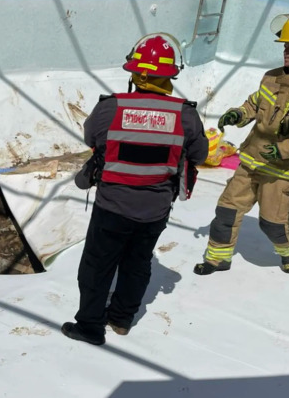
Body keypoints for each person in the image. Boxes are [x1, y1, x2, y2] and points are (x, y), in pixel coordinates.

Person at [61, 34, 209, 346]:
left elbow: (91, 139)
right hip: (155, 209)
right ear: (169, 76)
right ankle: (121, 319)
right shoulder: (186, 115)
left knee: (97, 266)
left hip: (111, 207)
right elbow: (199, 155)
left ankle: (90, 326)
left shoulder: (110, 108)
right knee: (138, 263)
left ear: (137, 74)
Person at [194, 13, 289, 276]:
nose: (286, 51)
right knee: (226, 212)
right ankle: (217, 259)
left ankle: (288, 251)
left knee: (273, 224)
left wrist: (283, 149)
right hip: (251, 160)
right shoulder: (271, 77)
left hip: (282, 170)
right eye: (285, 46)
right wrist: (238, 114)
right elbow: (255, 103)